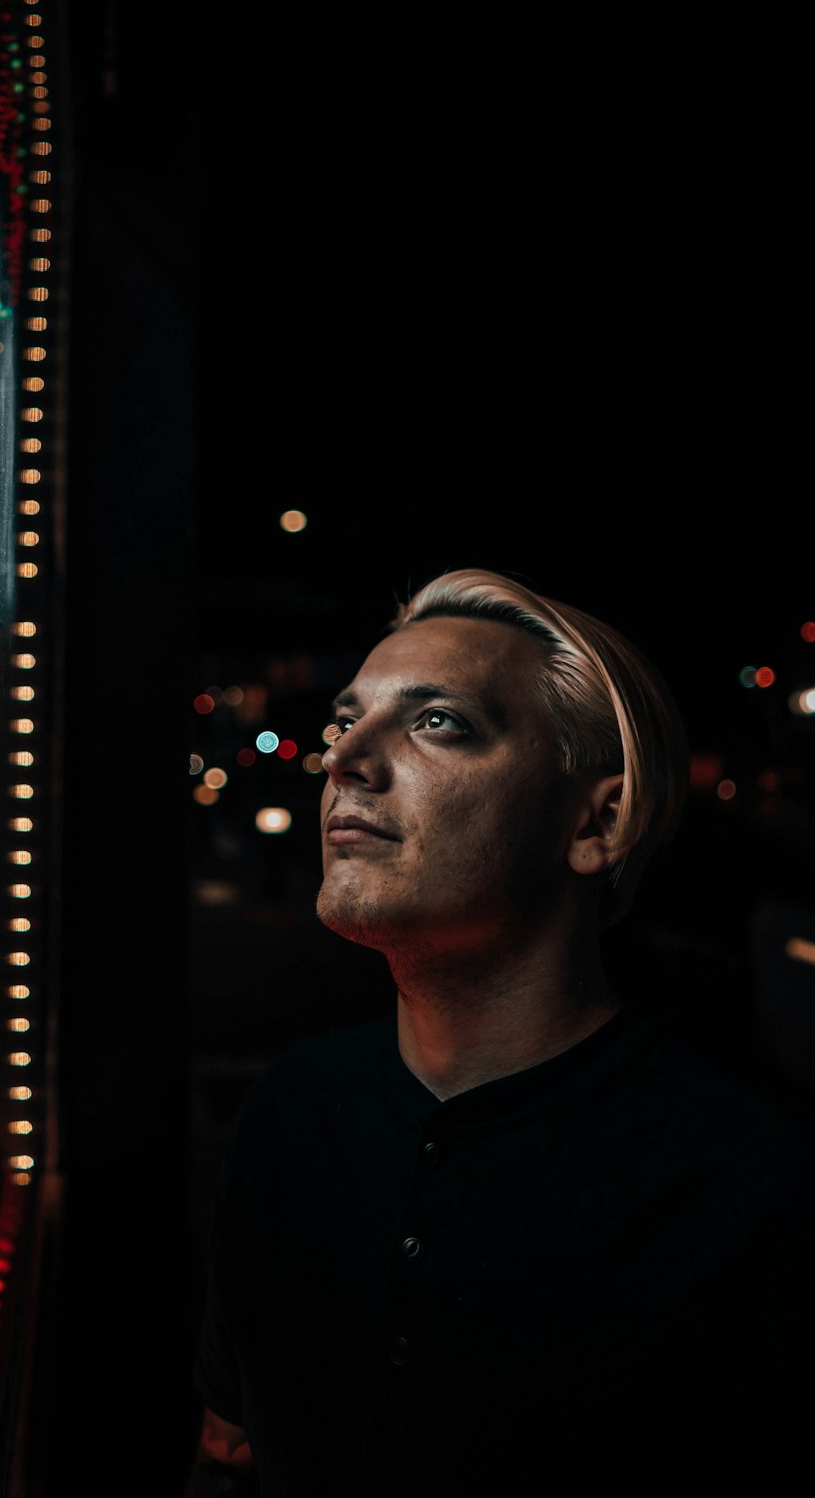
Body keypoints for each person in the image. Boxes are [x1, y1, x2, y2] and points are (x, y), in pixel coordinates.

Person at [183, 567, 815, 1496]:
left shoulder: (752, 1175)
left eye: (439, 722)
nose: (346, 757)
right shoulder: (295, 1110)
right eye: (343, 721)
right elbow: (228, 1454)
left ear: (597, 822)